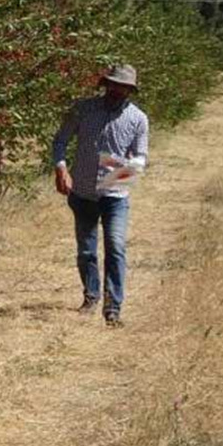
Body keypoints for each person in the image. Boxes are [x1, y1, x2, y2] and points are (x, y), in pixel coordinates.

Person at [51, 65, 150, 328]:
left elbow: (141, 157)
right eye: (114, 84)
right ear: (106, 84)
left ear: (130, 90)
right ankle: (91, 296)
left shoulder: (138, 118)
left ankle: (113, 308)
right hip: (82, 191)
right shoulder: (82, 109)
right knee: (86, 250)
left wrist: (120, 173)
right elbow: (60, 141)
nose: (118, 90)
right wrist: (61, 167)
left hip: (116, 195)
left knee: (115, 247)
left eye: (124, 86)